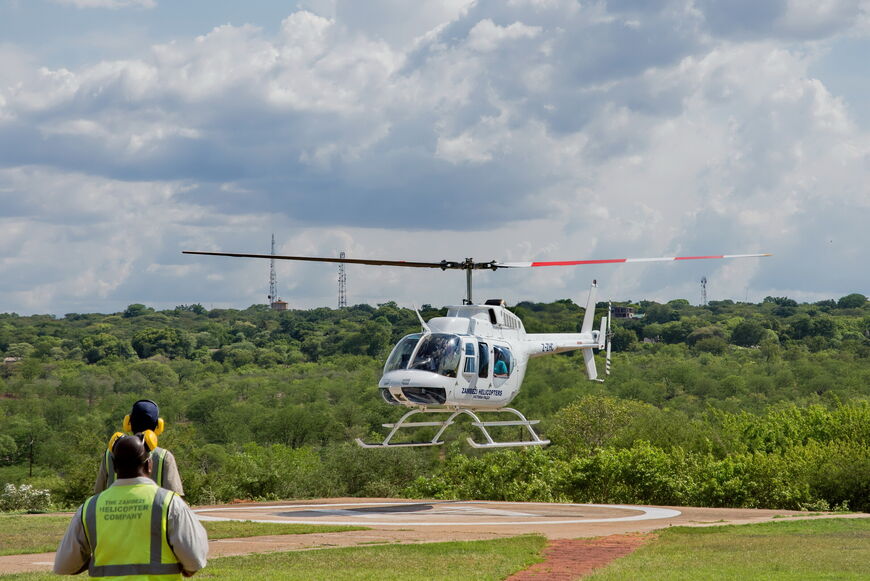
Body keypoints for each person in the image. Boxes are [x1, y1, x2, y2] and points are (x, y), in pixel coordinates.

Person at [54, 435, 208, 578]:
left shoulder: (90, 507)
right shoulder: (169, 503)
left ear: (114, 467)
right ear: (149, 465)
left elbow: (65, 565)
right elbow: (194, 561)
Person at [94, 400, 184, 496]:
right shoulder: (164, 457)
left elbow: (98, 492)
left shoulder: (110, 453)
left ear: (128, 422)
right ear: (159, 426)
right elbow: (175, 496)